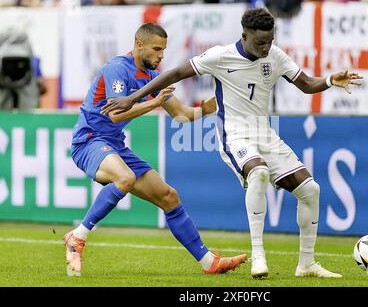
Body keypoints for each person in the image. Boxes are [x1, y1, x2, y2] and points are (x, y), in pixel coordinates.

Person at [101, 8, 363, 279]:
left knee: (311, 190)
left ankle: (306, 264)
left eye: (270, 41)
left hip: (266, 134)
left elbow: (307, 84)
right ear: (244, 36)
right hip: (234, 134)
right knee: (259, 173)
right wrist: (134, 98)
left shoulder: (275, 56)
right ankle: (258, 257)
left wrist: (331, 81)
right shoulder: (220, 56)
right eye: (260, 42)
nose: (266, 47)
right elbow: (176, 73)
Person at [65, 22, 247, 277]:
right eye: (157, 49)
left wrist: (208, 108)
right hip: (89, 140)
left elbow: (181, 115)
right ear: (139, 45)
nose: (161, 55)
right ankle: (78, 237)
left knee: (168, 196)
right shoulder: (117, 68)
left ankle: (209, 262)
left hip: (114, 145)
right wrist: (154, 103)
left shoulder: (152, 77)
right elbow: (116, 114)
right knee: (125, 178)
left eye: (163, 50)